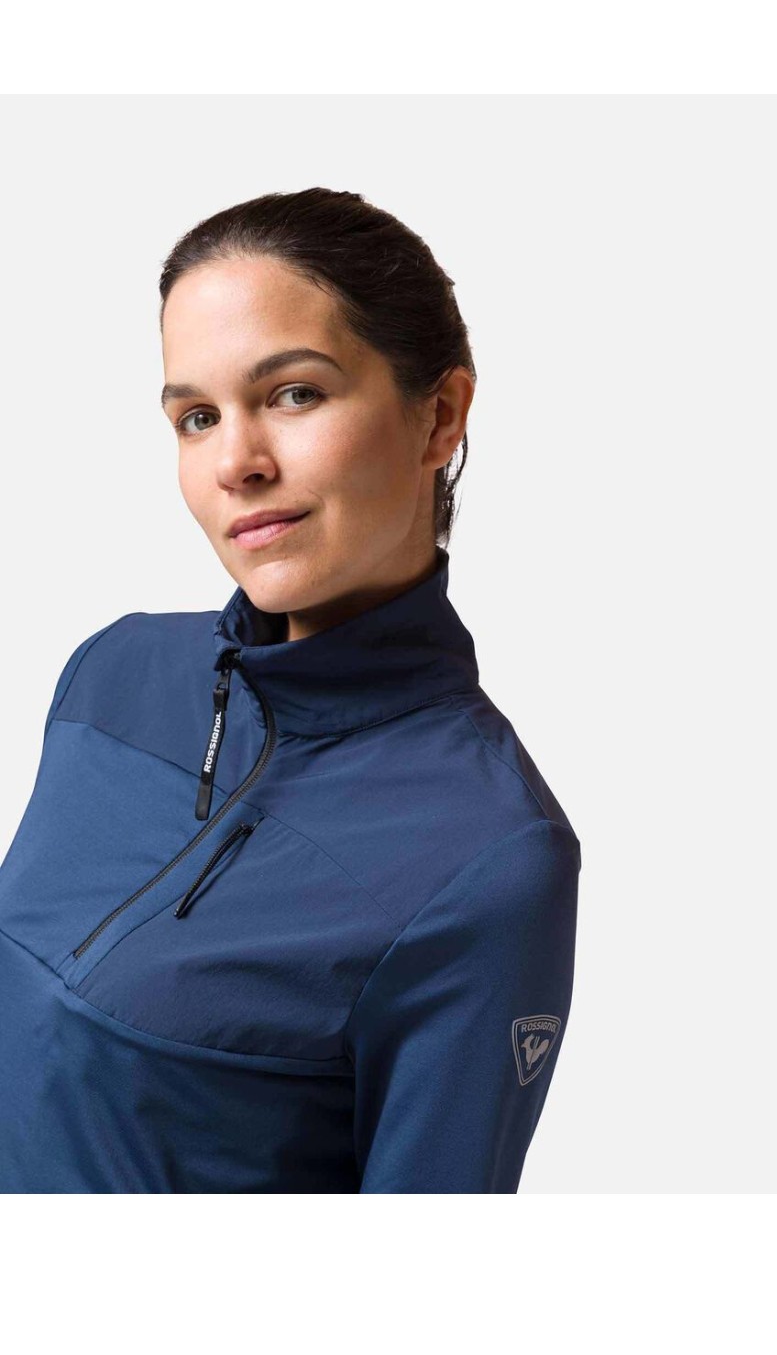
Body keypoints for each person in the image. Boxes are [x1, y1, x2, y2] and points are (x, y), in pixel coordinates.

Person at [0, 187, 582, 1193]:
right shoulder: (113, 675)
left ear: (439, 415)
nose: (237, 462)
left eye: (295, 394)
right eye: (197, 417)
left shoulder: (488, 854)